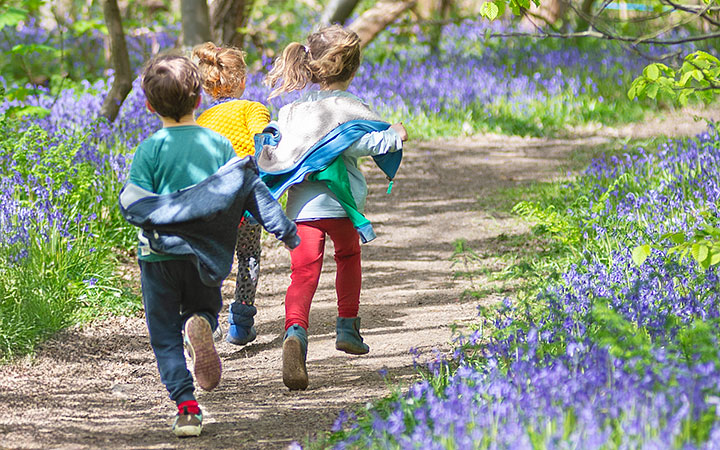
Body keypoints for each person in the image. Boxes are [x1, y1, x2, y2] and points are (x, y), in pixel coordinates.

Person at [119, 52, 300, 437]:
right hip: (204, 255)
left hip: (158, 254)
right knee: (200, 307)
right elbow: (248, 184)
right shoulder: (217, 145)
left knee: (164, 334)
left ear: (150, 106)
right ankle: (202, 321)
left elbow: (132, 201)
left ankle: (186, 406)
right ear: (198, 99)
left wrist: (159, 213)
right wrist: (284, 228)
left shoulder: (150, 148)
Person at [257, 24, 409, 391]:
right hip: (340, 206)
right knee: (348, 258)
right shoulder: (350, 107)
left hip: (302, 209)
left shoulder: (292, 110)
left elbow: (276, 143)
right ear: (352, 68)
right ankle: (347, 328)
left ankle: (295, 332)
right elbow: (363, 144)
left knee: (303, 274)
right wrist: (396, 134)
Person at [193, 42, 271, 347]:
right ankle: (240, 324)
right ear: (241, 81)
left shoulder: (200, 122)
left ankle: (208, 322)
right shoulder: (252, 108)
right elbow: (263, 142)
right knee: (248, 254)